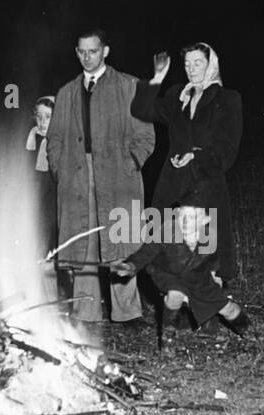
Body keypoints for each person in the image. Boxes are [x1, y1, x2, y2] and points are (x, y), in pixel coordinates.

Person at [46, 28, 155, 326]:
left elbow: (146, 136)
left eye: (93, 51)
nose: (87, 57)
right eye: (81, 52)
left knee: (119, 239)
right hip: (76, 174)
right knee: (83, 241)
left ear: (105, 51)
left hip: (118, 175)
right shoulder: (67, 93)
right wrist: (59, 168)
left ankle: (128, 312)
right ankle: (85, 311)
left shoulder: (129, 86)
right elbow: (54, 139)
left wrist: (131, 163)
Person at [131, 42, 243, 284]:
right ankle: (177, 303)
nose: (191, 69)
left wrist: (197, 156)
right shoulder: (177, 96)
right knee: (169, 255)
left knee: (206, 257)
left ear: (211, 65)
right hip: (173, 185)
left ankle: (209, 302)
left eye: (197, 63)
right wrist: (157, 78)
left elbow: (228, 149)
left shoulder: (227, 99)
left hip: (206, 185)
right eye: (187, 63)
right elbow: (141, 110)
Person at [109, 183, 249, 347]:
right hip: (169, 273)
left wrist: (215, 278)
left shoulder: (209, 237)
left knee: (228, 309)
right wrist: (131, 266)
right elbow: (146, 252)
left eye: (193, 218)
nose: (186, 222)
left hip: (197, 277)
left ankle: (249, 331)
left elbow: (212, 261)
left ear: (205, 220)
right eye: (182, 216)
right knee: (175, 294)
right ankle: (168, 341)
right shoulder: (165, 231)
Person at [26, 95, 58, 254]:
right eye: (39, 117)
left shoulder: (64, 144)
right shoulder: (31, 141)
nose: (42, 122)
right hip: (37, 197)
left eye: (48, 117)